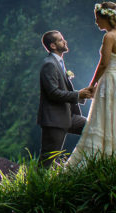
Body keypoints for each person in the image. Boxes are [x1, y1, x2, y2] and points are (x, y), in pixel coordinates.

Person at [65, 1, 116, 167]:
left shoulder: (109, 36)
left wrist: (92, 84)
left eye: (97, 18)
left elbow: (104, 63)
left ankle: (106, 157)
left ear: (105, 18)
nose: (96, 22)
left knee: (106, 117)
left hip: (111, 80)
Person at [37, 29, 92, 168]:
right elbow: (53, 93)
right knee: (47, 160)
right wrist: (78, 95)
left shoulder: (59, 63)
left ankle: (87, 164)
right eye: (61, 39)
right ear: (53, 46)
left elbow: (64, 90)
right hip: (54, 120)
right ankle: (36, 187)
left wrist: (84, 95)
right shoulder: (49, 64)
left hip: (69, 116)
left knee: (94, 127)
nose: (65, 41)